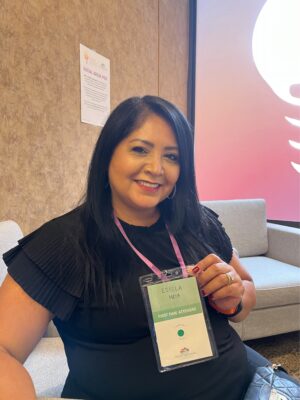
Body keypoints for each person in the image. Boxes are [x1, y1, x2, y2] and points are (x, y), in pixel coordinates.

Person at [0, 95, 285, 399]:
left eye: (172, 157)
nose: (156, 168)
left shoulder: (199, 222)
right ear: (107, 155)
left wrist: (235, 297)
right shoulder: (64, 243)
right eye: (140, 149)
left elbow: (245, 289)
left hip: (247, 386)